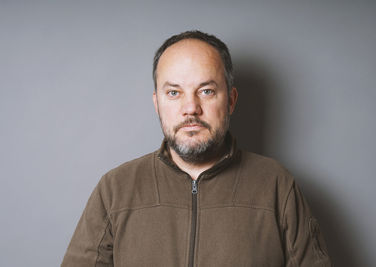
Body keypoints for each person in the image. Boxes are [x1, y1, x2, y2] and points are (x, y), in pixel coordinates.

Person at [61, 30, 331, 267]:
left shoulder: (277, 186)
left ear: (231, 100)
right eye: (174, 93)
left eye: (206, 91)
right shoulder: (115, 190)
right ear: (157, 104)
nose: (190, 108)